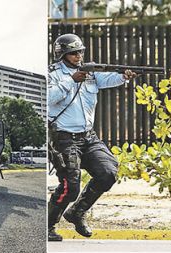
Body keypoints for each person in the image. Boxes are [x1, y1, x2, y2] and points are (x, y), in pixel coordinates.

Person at [47, 33, 137, 241]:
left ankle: (77, 212)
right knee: (70, 186)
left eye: (80, 52)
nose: (79, 55)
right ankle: (49, 225)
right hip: (63, 137)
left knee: (108, 172)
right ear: (62, 54)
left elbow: (107, 79)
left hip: (88, 136)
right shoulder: (52, 74)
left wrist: (124, 76)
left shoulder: (89, 73)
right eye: (73, 53)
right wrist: (70, 81)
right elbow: (48, 98)